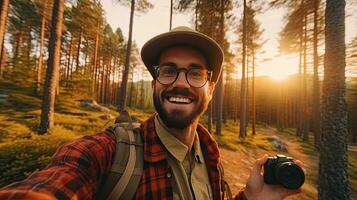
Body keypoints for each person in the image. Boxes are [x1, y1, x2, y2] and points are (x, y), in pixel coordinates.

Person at [0, 26, 302, 200]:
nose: (180, 84)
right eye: (169, 71)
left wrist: (250, 199)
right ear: (155, 83)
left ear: (210, 88)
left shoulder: (210, 157)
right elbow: (48, 187)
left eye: (195, 74)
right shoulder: (106, 152)